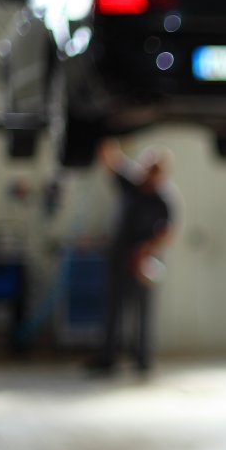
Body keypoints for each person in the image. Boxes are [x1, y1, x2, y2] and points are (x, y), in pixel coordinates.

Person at [87, 140, 179, 375]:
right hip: (120, 255)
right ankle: (108, 357)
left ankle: (142, 358)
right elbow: (111, 160)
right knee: (113, 307)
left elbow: (168, 232)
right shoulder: (131, 184)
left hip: (145, 259)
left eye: (154, 170)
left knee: (144, 309)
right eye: (147, 168)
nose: (149, 174)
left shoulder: (164, 198)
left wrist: (145, 250)